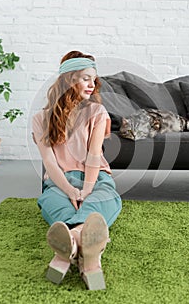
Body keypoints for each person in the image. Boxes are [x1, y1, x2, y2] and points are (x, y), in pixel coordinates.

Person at [32, 51, 122, 290]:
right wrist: (70, 190)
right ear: (69, 80)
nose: (92, 84)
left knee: (106, 198)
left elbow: (94, 155)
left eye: (94, 79)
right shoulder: (40, 118)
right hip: (60, 181)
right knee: (52, 201)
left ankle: (70, 244)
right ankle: (89, 251)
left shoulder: (97, 112)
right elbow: (50, 163)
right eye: (85, 78)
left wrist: (87, 190)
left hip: (96, 177)